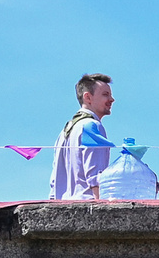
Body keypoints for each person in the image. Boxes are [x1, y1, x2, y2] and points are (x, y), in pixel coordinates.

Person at [49, 73, 116, 201]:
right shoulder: (92, 126)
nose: (112, 99)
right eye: (105, 94)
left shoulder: (65, 131)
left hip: (62, 206)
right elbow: (96, 175)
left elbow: (54, 182)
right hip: (86, 204)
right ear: (88, 97)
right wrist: (102, 205)